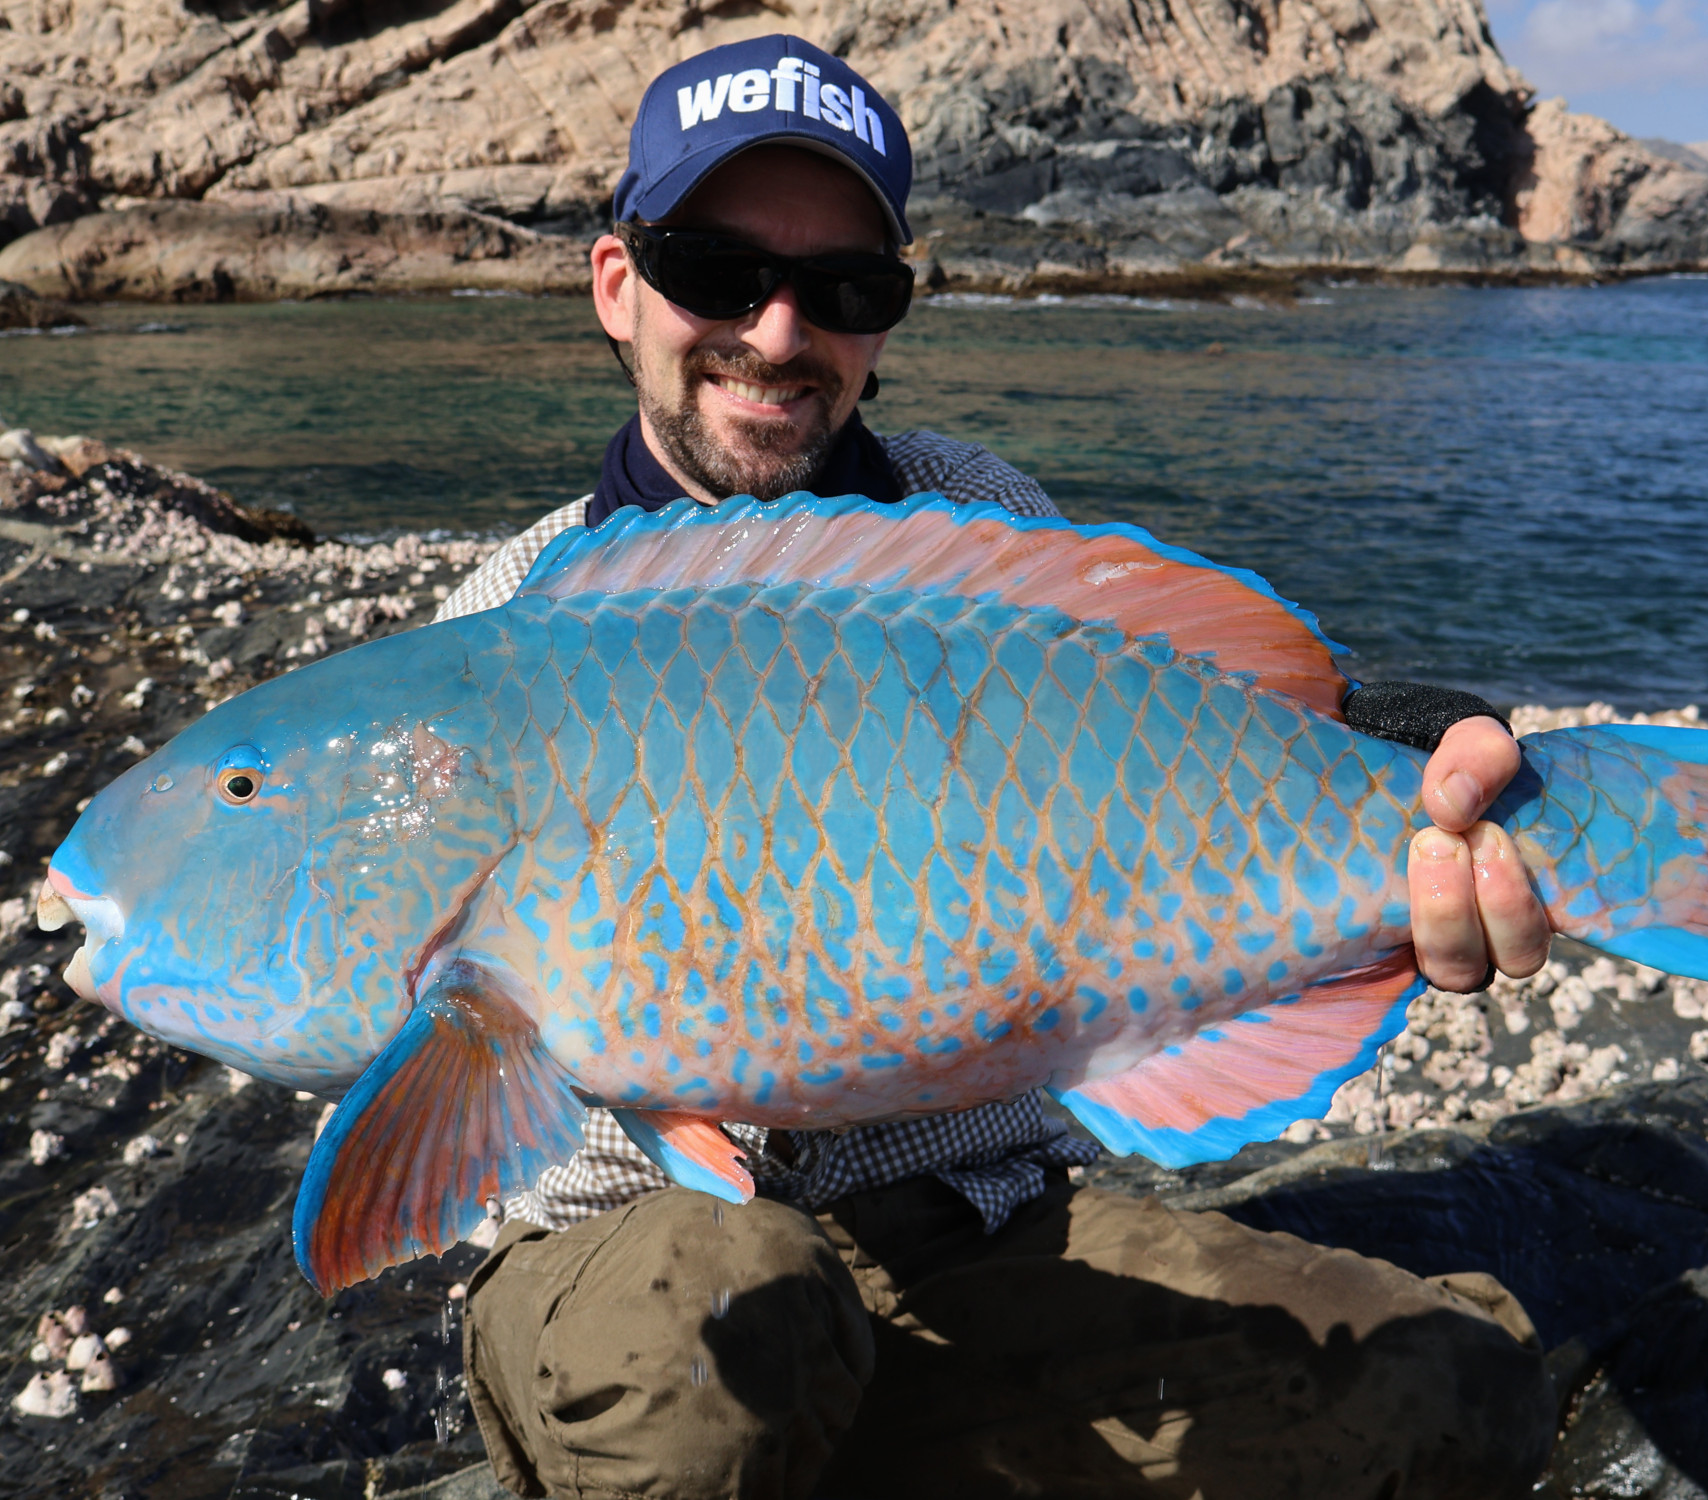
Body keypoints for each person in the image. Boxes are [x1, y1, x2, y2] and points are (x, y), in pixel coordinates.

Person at [442, 34, 1557, 1500]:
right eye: (715, 268)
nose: (778, 334)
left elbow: (1169, 737)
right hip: (626, 1247)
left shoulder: (984, 519)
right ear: (615, 284)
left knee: (1448, 1384)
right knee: (705, 1356)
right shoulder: (493, 624)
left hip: (974, 1223)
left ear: (888, 319)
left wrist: (1439, 777)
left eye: (846, 290)